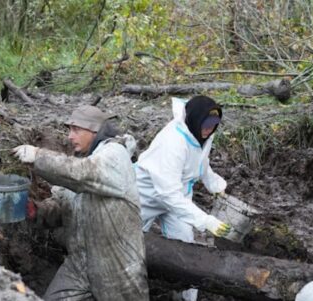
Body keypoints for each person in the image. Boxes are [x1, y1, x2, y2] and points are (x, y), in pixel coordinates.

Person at [12, 105, 149, 301]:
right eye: (69, 130)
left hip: (117, 267)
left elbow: (84, 174)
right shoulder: (80, 160)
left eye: (76, 130)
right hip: (79, 263)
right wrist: (36, 211)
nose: (69, 136)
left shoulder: (114, 154)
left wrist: (38, 156)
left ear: (94, 131)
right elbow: (63, 205)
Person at [135, 95, 232, 301]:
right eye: (207, 123)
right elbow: (168, 194)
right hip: (145, 195)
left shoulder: (202, 134)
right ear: (196, 119)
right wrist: (205, 220)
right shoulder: (173, 141)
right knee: (129, 245)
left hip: (177, 197)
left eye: (215, 124)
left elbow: (201, 162)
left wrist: (216, 185)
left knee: (186, 251)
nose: (210, 129)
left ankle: (185, 298)